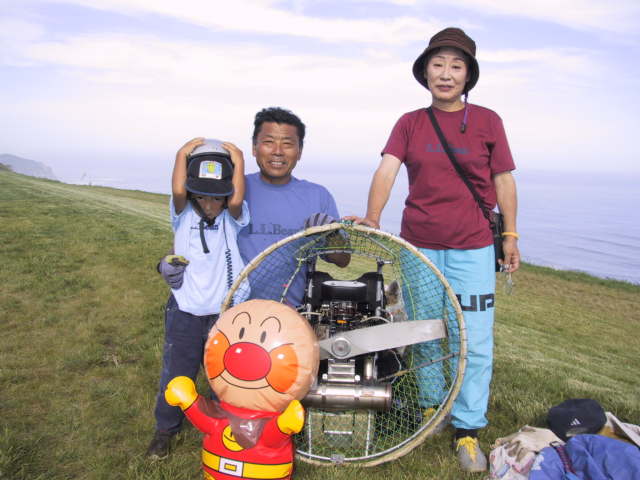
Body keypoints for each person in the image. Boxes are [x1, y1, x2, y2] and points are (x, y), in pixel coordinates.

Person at [348, 27, 520, 472]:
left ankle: (467, 427)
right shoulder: (410, 122)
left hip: (473, 248)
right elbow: (387, 169)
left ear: (468, 75)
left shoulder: (488, 121)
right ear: (425, 72)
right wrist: (373, 215)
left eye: (456, 66)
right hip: (419, 247)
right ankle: (432, 407)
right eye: (438, 64)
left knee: (473, 340)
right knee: (426, 333)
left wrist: (511, 235)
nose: (446, 74)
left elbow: (503, 180)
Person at [146, 137, 249, 460]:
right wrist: (181, 153)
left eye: (217, 196)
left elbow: (237, 197)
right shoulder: (182, 214)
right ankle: (165, 429)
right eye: (202, 195)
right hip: (185, 311)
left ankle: (223, 426)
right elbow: (178, 190)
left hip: (223, 313)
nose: (209, 203)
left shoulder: (233, 217)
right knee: (177, 372)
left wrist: (238, 157)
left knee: (225, 375)